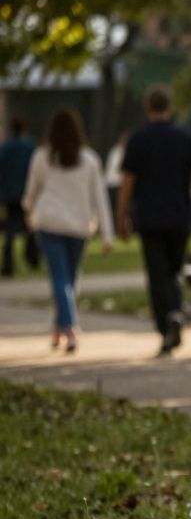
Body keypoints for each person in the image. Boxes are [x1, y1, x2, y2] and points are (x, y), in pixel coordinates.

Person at [117, 84, 191, 357]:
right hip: (179, 215)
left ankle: (166, 324)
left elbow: (127, 182)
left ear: (148, 108)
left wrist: (122, 215)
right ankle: (175, 312)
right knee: (174, 271)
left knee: (157, 274)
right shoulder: (185, 138)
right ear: (170, 107)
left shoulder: (138, 139)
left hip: (149, 217)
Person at [21, 109, 114, 352]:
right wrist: (107, 234)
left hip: (50, 223)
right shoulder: (90, 159)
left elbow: (31, 193)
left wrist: (29, 210)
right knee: (67, 280)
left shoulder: (42, 157)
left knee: (63, 281)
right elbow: (100, 199)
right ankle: (70, 328)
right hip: (79, 227)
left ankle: (58, 327)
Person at [1, 116, 39, 276]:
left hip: (9, 193)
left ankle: (8, 262)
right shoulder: (31, 148)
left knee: (10, 227)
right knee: (30, 225)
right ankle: (32, 258)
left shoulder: (6, 149)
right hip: (27, 192)